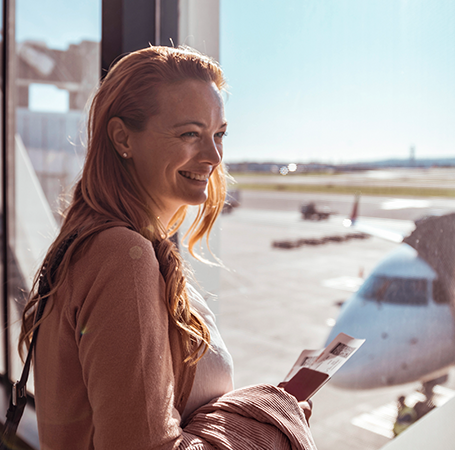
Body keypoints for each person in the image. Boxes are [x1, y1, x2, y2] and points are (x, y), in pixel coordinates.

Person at [17, 46, 315, 450]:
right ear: (123, 138)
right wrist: (269, 419)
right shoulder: (124, 256)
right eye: (190, 133)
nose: (213, 157)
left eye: (219, 134)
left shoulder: (94, 241)